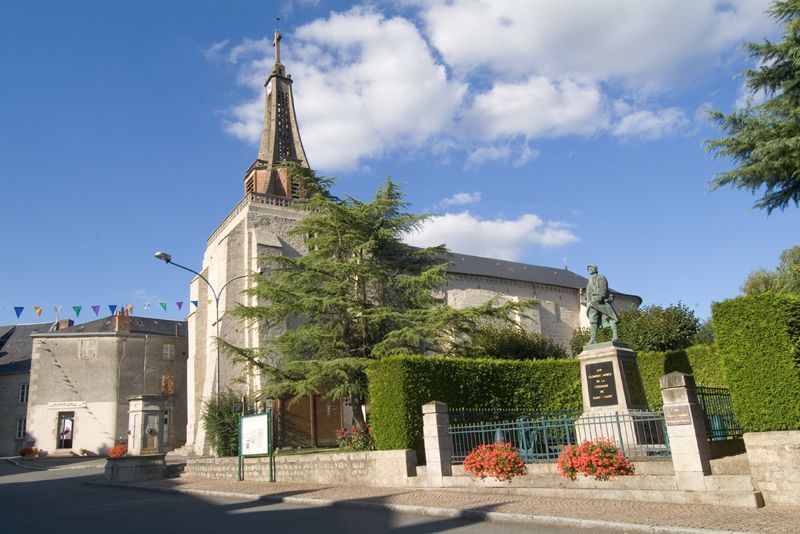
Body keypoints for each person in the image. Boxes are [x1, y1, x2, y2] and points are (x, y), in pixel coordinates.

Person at [584, 265, 619, 344]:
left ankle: (615, 336)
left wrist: (600, 296)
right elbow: (588, 292)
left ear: (596, 269)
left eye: (591, 268)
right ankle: (593, 339)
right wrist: (589, 302)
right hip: (592, 303)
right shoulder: (589, 281)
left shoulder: (600, 277)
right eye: (588, 268)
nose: (590, 269)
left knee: (610, 317)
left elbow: (603, 288)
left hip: (601, 301)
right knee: (593, 320)